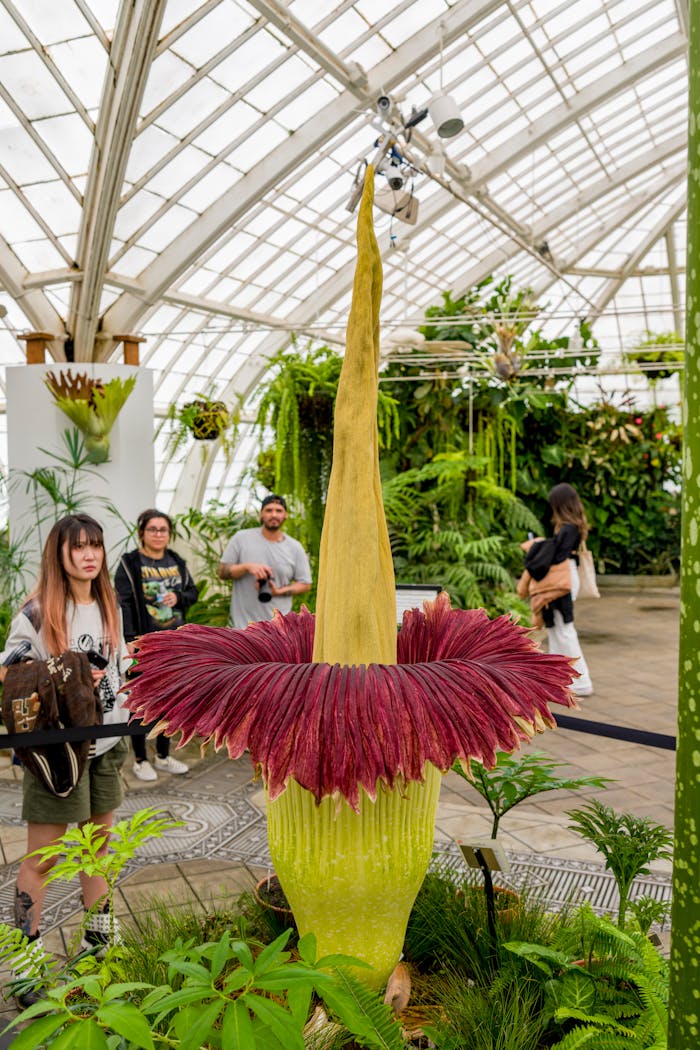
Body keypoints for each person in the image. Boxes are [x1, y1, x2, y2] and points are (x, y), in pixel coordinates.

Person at [0, 514, 131, 1005]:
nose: (88, 555)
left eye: (95, 545)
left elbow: (117, 666)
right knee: (44, 859)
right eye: (77, 547)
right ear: (60, 554)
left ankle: (98, 944)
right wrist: (68, 676)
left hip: (106, 746)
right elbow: (8, 676)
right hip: (58, 754)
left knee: (99, 848)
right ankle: (28, 967)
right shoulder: (37, 612)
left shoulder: (108, 602)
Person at [114, 509, 198, 781]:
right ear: (142, 533)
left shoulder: (177, 561)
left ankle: (163, 756)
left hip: (174, 644)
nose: (159, 534)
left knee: (170, 701)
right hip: (144, 644)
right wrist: (129, 639)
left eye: (163, 530)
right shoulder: (130, 563)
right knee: (140, 701)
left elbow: (192, 592)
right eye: (153, 529)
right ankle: (140, 759)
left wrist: (179, 597)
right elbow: (123, 603)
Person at [520, 482, 593, 697]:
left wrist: (539, 545)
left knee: (564, 631)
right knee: (556, 630)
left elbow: (558, 555)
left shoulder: (569, 528)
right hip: (563, 579)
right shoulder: (571, 527)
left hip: (562, 580)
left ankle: (581, 682)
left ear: (560, 505)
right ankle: (560, 679)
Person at [218, 494, 312, 629]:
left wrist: (279, 592)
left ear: (285, 515)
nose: (274, 514)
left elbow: (305, 584)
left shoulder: (295, 547)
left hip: (279, 629)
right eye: (269, 510)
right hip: (244, 628)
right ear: (261, 514)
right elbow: (222, 572)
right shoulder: (241, 538)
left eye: (278, 510)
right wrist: (247, 567)